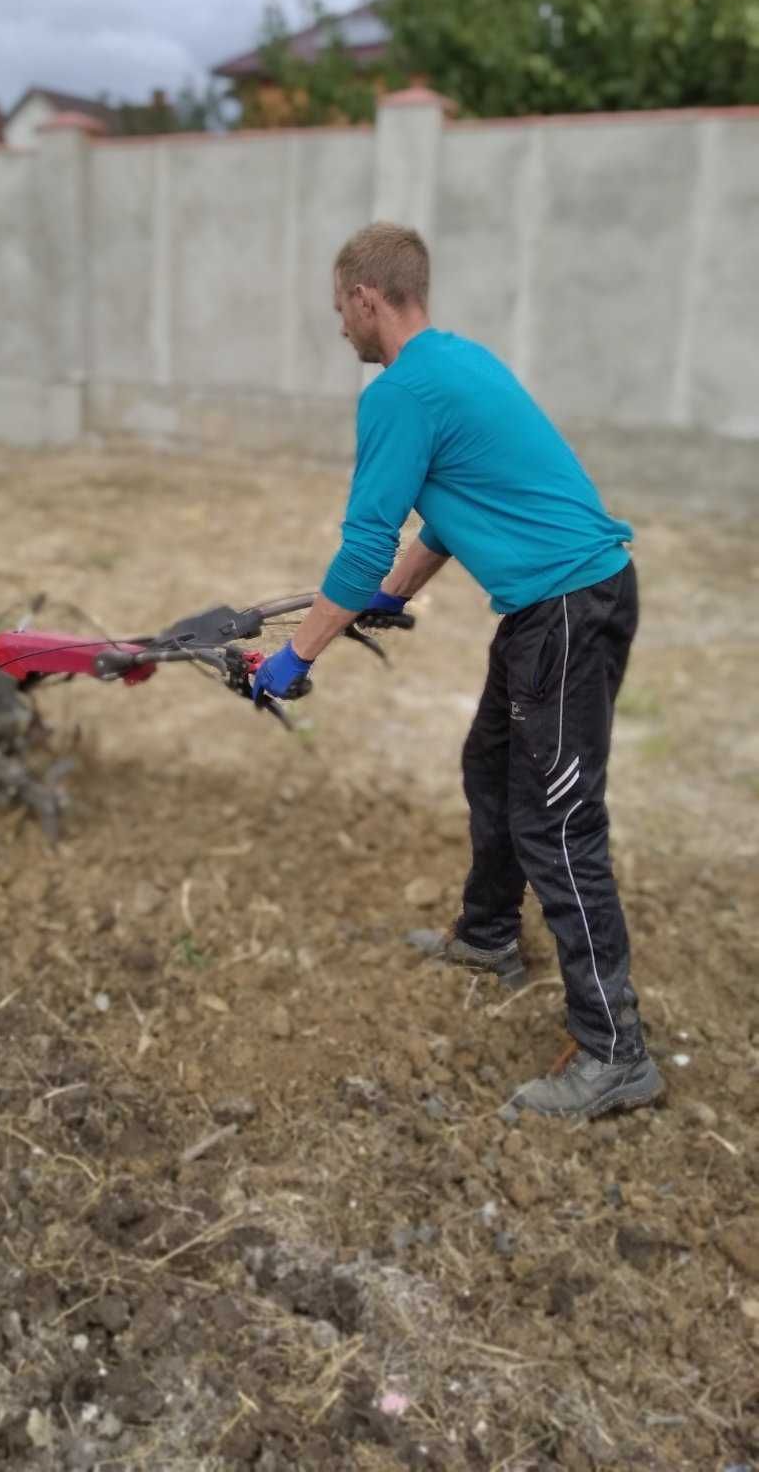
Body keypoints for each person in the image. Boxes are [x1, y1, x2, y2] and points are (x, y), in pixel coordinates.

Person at [252, 221, 662, 1120]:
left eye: (338, 312)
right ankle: (486, 936)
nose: (339, 330)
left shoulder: (399, 392)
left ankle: (616, 1052)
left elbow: (362, 542)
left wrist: (293, 657)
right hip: (556, 606)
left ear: (367, 299)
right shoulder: (458, 363)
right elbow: (448, 510)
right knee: (492, 766)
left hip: (563, 610)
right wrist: (394, 594)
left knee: (558, 823)